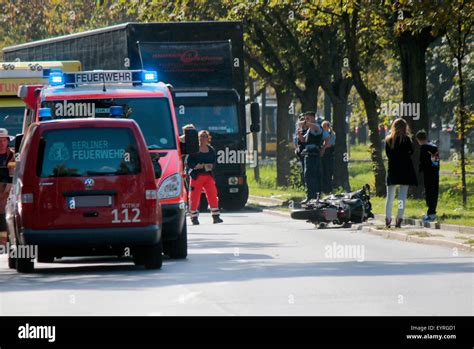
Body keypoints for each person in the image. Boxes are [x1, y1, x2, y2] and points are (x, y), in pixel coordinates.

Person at [385, 118, 418, 228]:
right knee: (401, 197)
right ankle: (399, 218)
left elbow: (388, 155)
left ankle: (388, 218)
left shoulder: (389, 140)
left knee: (390, 196)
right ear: (405, 128)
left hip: (393, 170)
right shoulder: (407, 140)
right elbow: (411, 152)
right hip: (405, 170)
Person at [187, 130, 223, 225]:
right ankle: (194, 217)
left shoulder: (211, 150)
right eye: (200, 136)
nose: (202, 138)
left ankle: (216, 216)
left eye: (204, 136)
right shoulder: (194, 149)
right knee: (194, 197)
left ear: (208, 138)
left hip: (208, 176)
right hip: (196, 176)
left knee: (213, 195)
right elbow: (189, 163)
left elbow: (214, 163)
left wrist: (209, 166)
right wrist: (195, 166)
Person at [298, 111, 323, 204]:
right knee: (307, 176)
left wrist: (304, 123)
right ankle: (309, 196)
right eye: (305, 119)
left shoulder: (316, 127)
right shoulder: (309, 129)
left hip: (313, 155)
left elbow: (315, 128)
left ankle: (313, 197)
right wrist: (299, 133)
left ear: (313, 118)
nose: (306, 120)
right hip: (308, 155)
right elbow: (303, 140)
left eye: (307, 118)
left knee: (311, 176)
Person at [415, 130, 440, 222]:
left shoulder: (423, 148)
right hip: (435, 173)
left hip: (427, 174)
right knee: (434, 193)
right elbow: (436, 161)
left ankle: (430, 214)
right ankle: (432, 212)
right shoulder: (434, 147)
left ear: (418, 139)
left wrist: (419, 174)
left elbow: (422, 163)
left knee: (429, 194)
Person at [320, 121, 336, 194]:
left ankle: (328, 189)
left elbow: (329, 145)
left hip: (328, 155)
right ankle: (323, 189)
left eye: (325, 126)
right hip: (323, 156)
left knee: (328, 172)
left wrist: (323, 147)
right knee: (323, 172)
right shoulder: (322, 134)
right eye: (323, 127)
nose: (324, 128)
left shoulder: (332, 134)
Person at [294, 114, 307, 186]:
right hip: (301, 152)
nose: (302, 121)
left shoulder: (308, 130)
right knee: (303, 168)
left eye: (303, 119)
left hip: (307, 151)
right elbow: (295, 141)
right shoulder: (298, 130)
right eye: (301, 119)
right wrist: (297, 149)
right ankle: (303, 184)